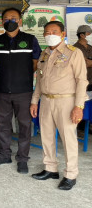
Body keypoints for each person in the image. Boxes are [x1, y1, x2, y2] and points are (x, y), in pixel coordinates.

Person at [30, 21, 88, 190]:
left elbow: (81, 80)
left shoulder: (74, 53)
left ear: (63, 34)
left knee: (68, 139)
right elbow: (39, 80)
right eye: (46, 32)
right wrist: (35, 101)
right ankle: (50, 168)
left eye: (54, 32)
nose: (50, 35)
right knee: (46, 136)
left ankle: (71, 174)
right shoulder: (44, 54)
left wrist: (78, 106)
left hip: (67, 101)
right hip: (46, 101)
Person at [0, 8, 41, 174]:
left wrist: (21, 76)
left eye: (13, 18)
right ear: (1, 22)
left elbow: (35, 64)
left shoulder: (30, 39)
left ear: (20, 21)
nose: (9, 21)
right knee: (3, 124)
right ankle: (4, 154)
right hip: (3, 90)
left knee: (25, 125)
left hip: (24, 91)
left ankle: (22, 159)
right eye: (6, 18)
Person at [73, 25, 92, 91]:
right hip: (80, 83)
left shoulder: (90, 47)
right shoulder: (74, 49)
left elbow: (88, 63)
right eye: (89, 34)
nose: (90, 35)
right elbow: (76, 65)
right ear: (82, 35)